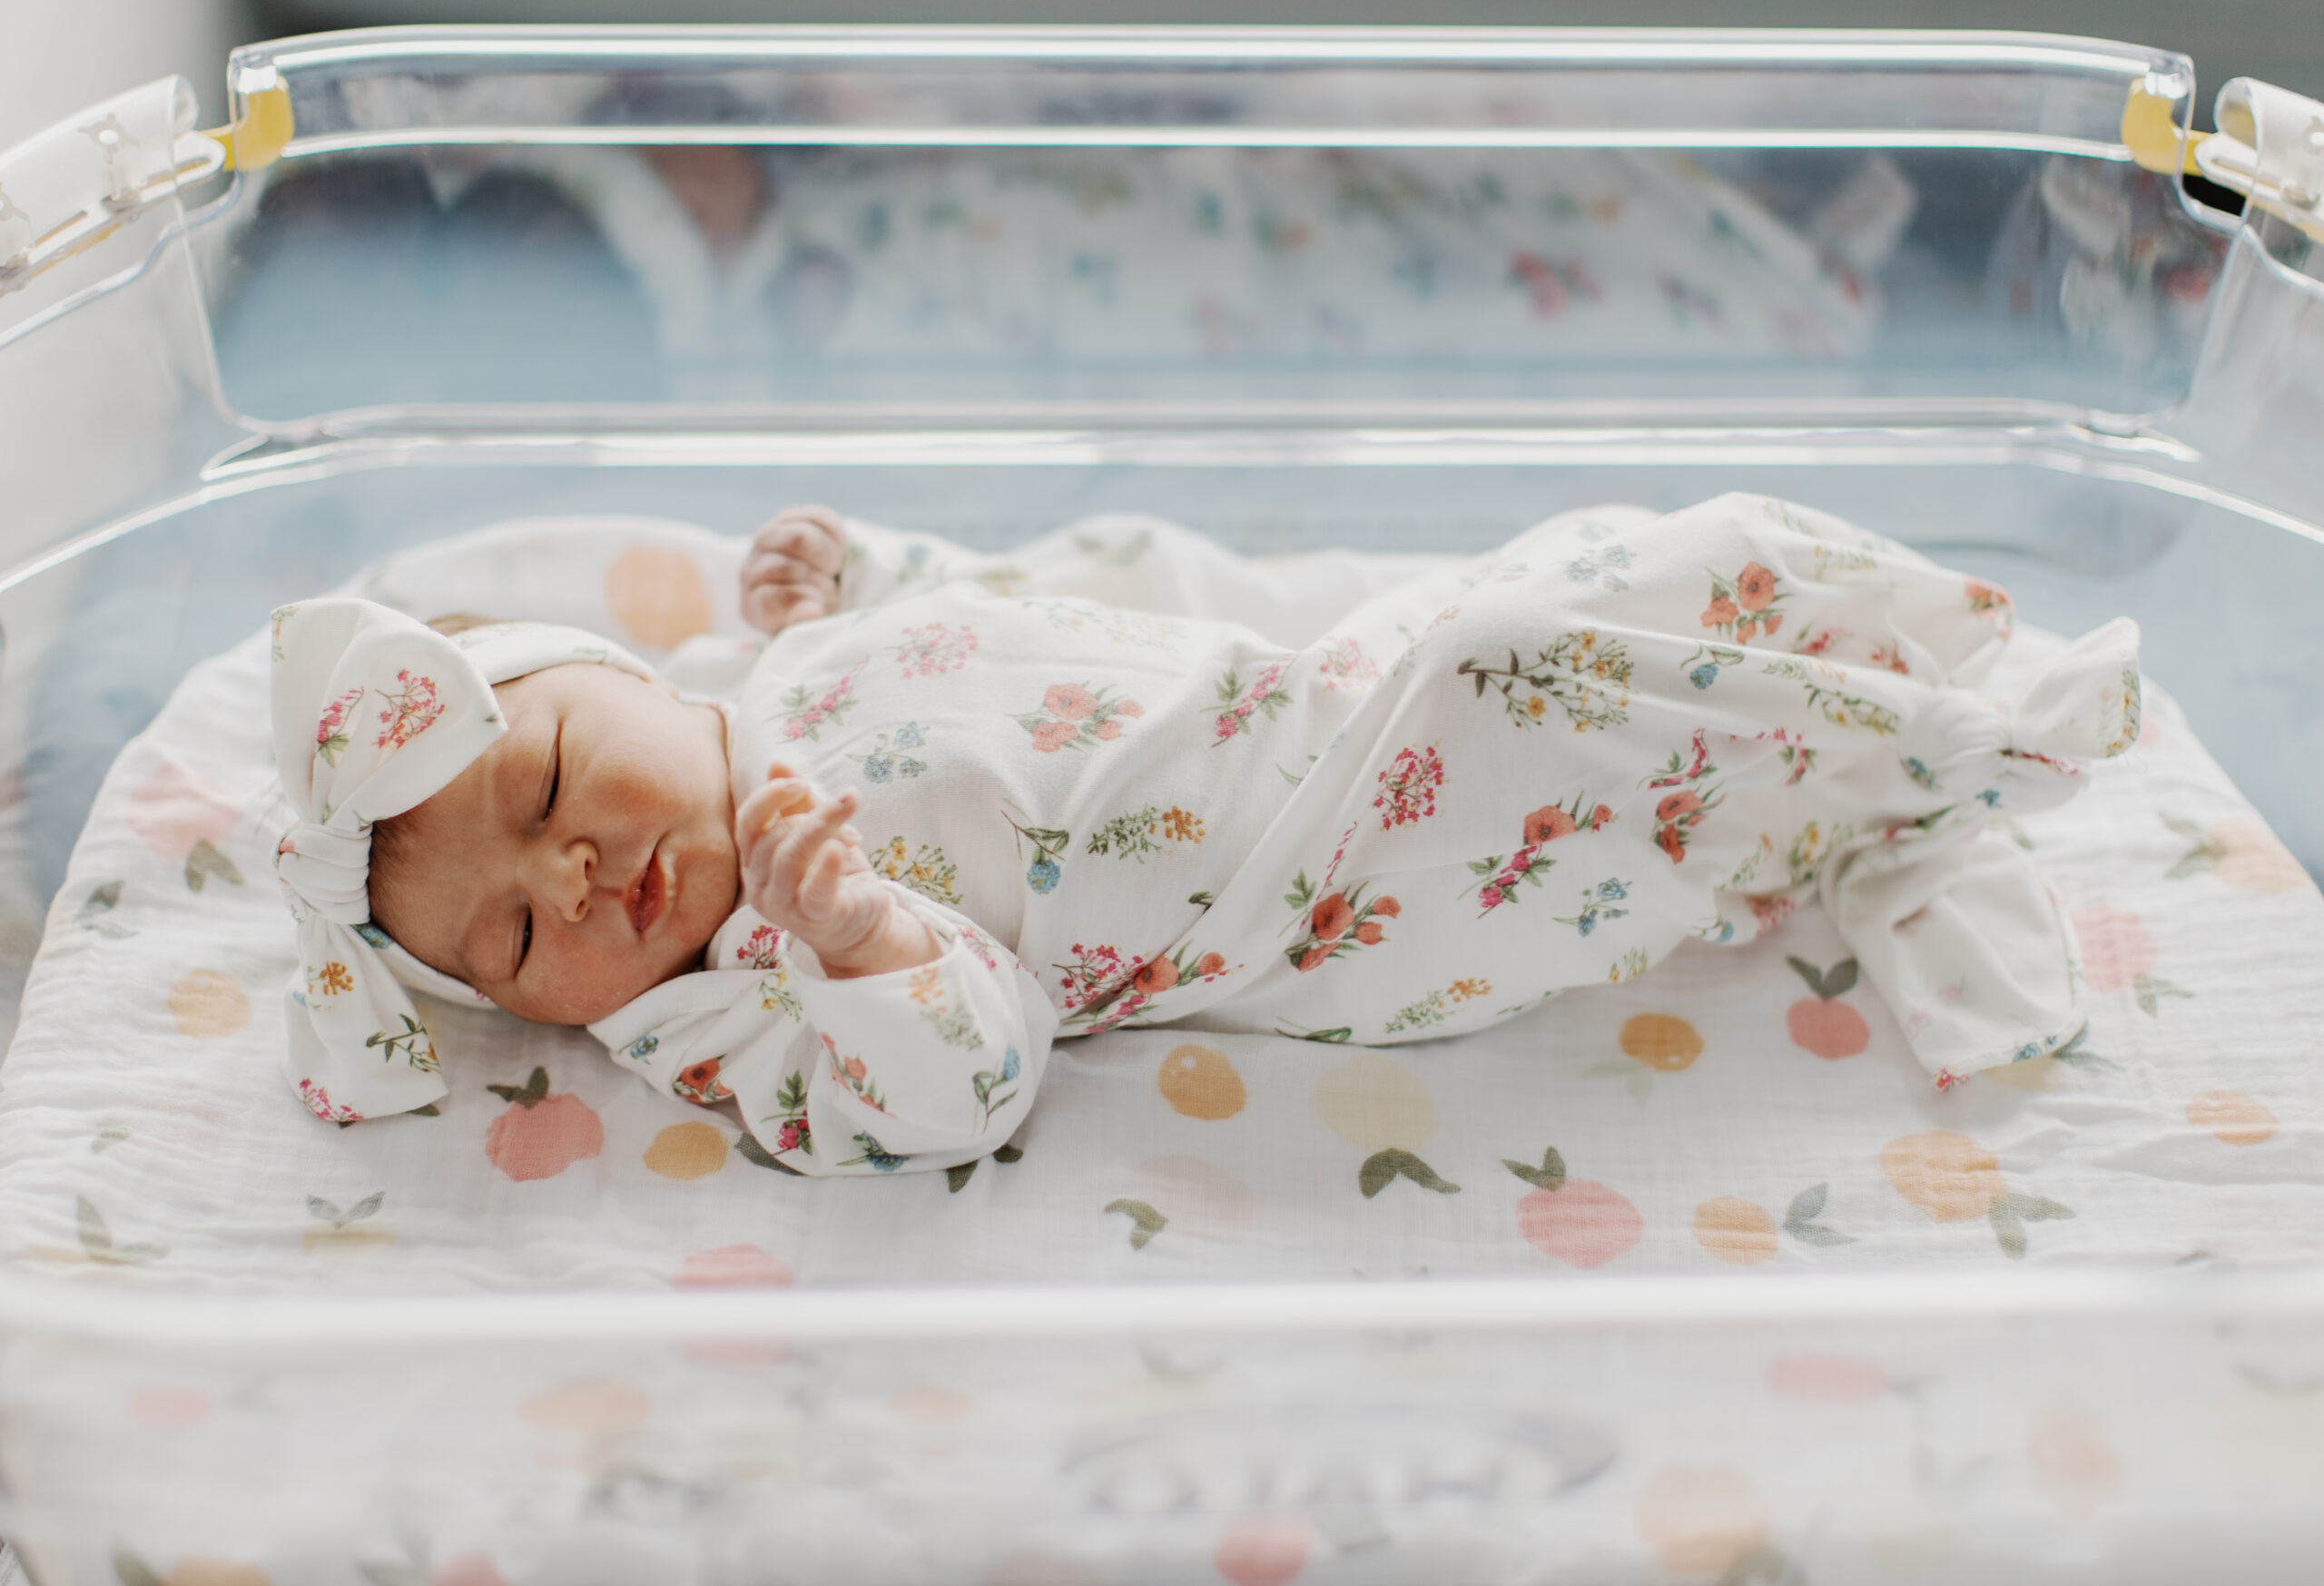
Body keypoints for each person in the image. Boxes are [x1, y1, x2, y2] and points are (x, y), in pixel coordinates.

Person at [269, 493, 2142, 1174]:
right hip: (1326, 890)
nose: (574, 882)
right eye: (516, 942)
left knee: (1647, 556)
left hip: (1320, 686)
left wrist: (857, 569)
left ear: (632, 675)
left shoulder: (787, 667)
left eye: (539, 793)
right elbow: (955, 1092)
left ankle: (1902, 691)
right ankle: (1942, 771)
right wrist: (872, 960)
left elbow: (1004, 609)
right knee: (1527, 687)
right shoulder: (727, 996)